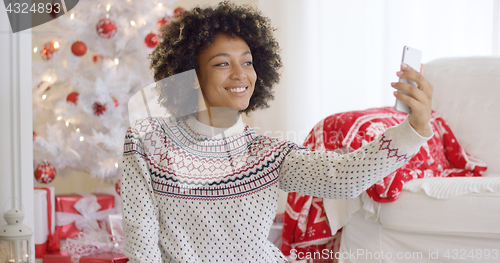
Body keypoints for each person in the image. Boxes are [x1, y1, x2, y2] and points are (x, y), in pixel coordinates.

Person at [121, 1, 433, 262]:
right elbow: (141, 238)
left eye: (247, 62)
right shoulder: (148, 141)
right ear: (191, 75)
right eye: (222, 64)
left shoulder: (267, 152)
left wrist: (414, 128)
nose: (241, 74)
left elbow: (344, 177)